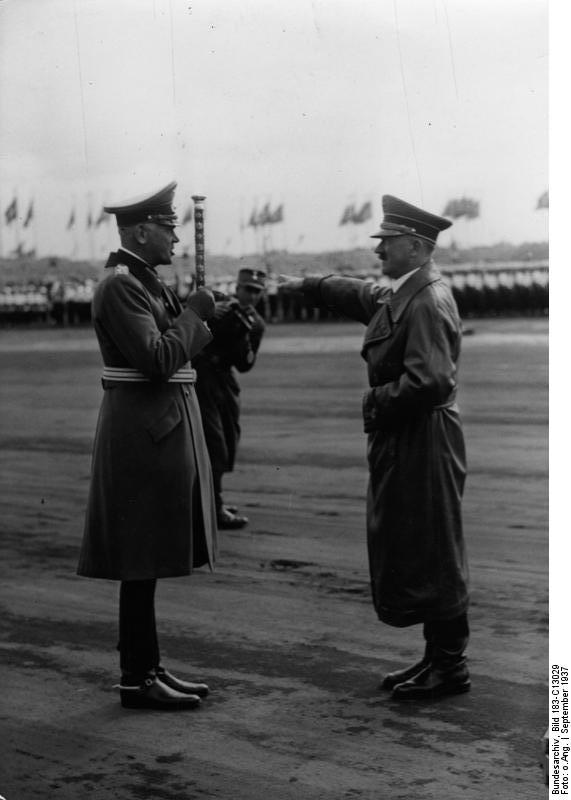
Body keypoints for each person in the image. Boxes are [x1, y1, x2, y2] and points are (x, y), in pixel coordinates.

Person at [280, 195, 470, 701]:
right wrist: (311, 285)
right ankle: (437, 657)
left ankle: (450, 665)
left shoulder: (428, 299)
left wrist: (373, 402)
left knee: (435, 547)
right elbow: (367, 298)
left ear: (415, 245)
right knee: (421, 542)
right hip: (411, 434)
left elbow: (430, 380)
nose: (378, 251)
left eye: (387, 243)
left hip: (422, 435)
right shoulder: (409, 291)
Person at [77, 181, 218, 711]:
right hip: (141, 431)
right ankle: (137, 678)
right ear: (142, 231)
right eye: (169, 227)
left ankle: (147, 668)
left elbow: (177, 348)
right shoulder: (121, 286)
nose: (177, 238)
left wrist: (199, 317)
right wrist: (195, 313)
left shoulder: (143, 281)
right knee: (140, 559)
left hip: (154, 426)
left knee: (148, 559)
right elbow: (158, 359)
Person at [194, 268, 266, 529]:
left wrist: (245, 335)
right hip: (202, 376)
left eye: (257, 291)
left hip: (224, 380)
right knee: (214, 443)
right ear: (237, 288)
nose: (251, 295)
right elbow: (184, 317)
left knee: (229, 436)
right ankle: (213, 505)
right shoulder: (217, 304)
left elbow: (246, 365)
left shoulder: (256, 324)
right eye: (247, 289)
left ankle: (213, 498)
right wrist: (210, 313)